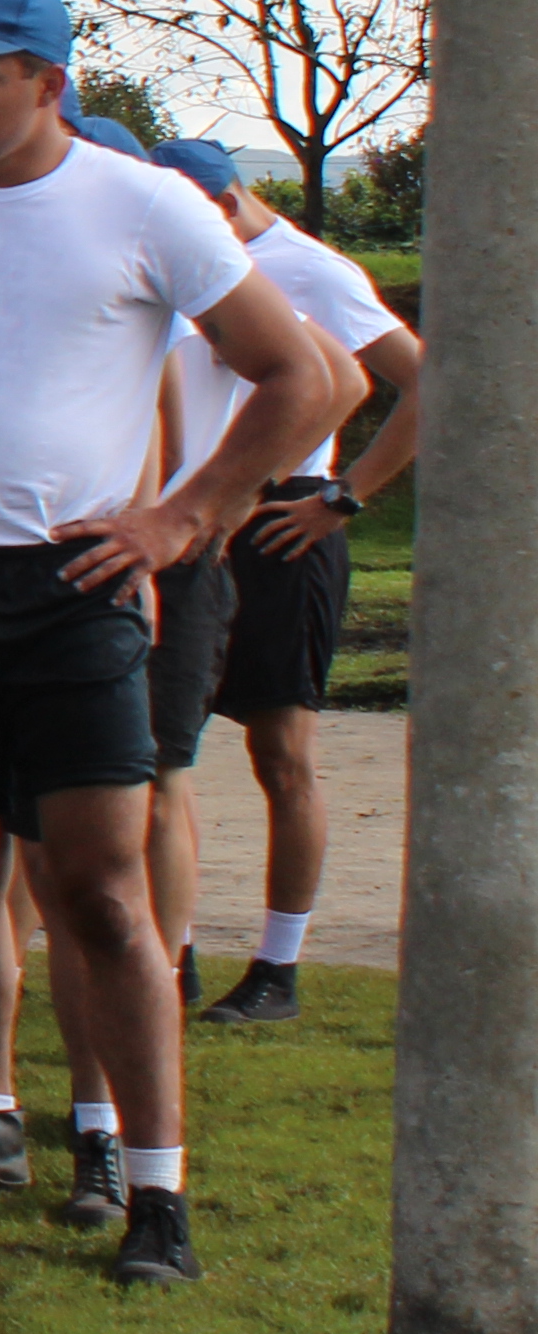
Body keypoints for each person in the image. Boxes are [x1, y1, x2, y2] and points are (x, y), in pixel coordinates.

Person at [0, 0, 352, 1286]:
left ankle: (156, 1195)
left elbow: (303, 376)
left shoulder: (143, 204)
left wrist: (186, 517)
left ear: (47, 86)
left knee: (102, 893)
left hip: (75, 588)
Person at [155, 137, 418, 1030]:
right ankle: (175, 951)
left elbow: (418, 380)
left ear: (225, 203)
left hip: (283, 516)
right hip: (194, 512)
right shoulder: (178, 265)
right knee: (167, 757)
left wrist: (342, 499)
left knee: (283, 753)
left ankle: (279, 965)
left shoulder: (310, 272)